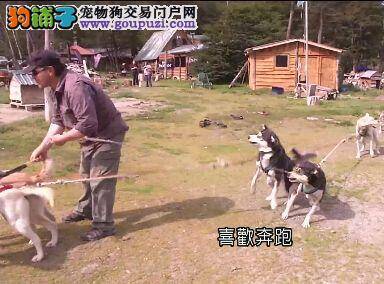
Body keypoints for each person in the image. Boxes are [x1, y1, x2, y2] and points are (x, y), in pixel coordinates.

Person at [25, 50, 129, 241]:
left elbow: (88, 124)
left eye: (35, 72)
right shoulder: (56, 88)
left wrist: (63, 139)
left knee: (100, 179)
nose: (32, 77)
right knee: (86, 174)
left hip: (107, 134)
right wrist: (44, 146)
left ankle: (104, 225)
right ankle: (86, 209)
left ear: (49, 70)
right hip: (90, 137)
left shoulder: (75, 87)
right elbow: (58, 120)